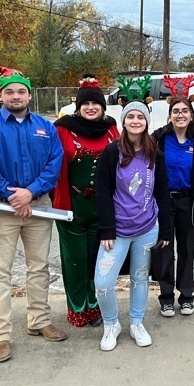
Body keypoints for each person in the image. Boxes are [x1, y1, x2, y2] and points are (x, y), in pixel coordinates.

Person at [0, 66, 66, 364]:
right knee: (0, 271)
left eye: (21, 91)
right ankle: (0, 336)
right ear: (0, 94)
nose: (16, 96)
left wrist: (32, 191)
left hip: (38, 204)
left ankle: (39, 320)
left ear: (29, 95)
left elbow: (55, 162)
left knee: (38, 267)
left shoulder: (45, 127)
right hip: (2, 208)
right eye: (9, 91)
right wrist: (13, 195)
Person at [95, 97, 172, 351]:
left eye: (140, 117)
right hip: (116, 230)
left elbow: (162, 192)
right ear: (124, 121)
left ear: (147, 122)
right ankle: (111, 324)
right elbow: (103, 191)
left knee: (140, 278)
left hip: (147, 228)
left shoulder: (155, 153)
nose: (135, 121)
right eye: (131, 117)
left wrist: (166, 227)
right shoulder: (111, 152)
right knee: (103, 283)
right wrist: (106, 227)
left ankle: (137, 323)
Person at [52, 75, 120, 328]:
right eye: (85, 104)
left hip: (103, 207)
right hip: (72, 205)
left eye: (96, 104)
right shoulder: (63, 128)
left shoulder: (112, 129)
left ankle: (95, 306)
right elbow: (51, 164)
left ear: (103, 107)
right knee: (75, 260)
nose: (91, 108)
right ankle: (78, 308)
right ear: (78, 107)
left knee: (97, 259)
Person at [151, 90, 194, 318]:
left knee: (186, 251)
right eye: (176, 111)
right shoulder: (159, 138)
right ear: (170, 115)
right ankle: (166, 298)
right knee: (164, 251)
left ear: (191, 115)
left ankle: (186, 297)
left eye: (185, 111)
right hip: (164, 202)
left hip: (188, 202)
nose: (180, 115)